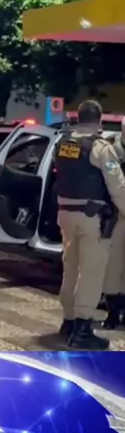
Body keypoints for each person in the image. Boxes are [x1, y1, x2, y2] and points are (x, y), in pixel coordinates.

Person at [55, 99, 125, 350]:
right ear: (99, 120)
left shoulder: (63, 143)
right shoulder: (100, 148)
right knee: (91, 274)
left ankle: (68, 322)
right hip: (91, 219)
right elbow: (118, 188)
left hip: (65, 215)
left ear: (78, 118)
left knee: (70, 269)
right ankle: (82, 330)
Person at [102, 116, 125, 329]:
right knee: (113, 268)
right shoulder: (112, 151)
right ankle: (113, 314)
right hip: (117, 216)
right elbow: (114, 187)